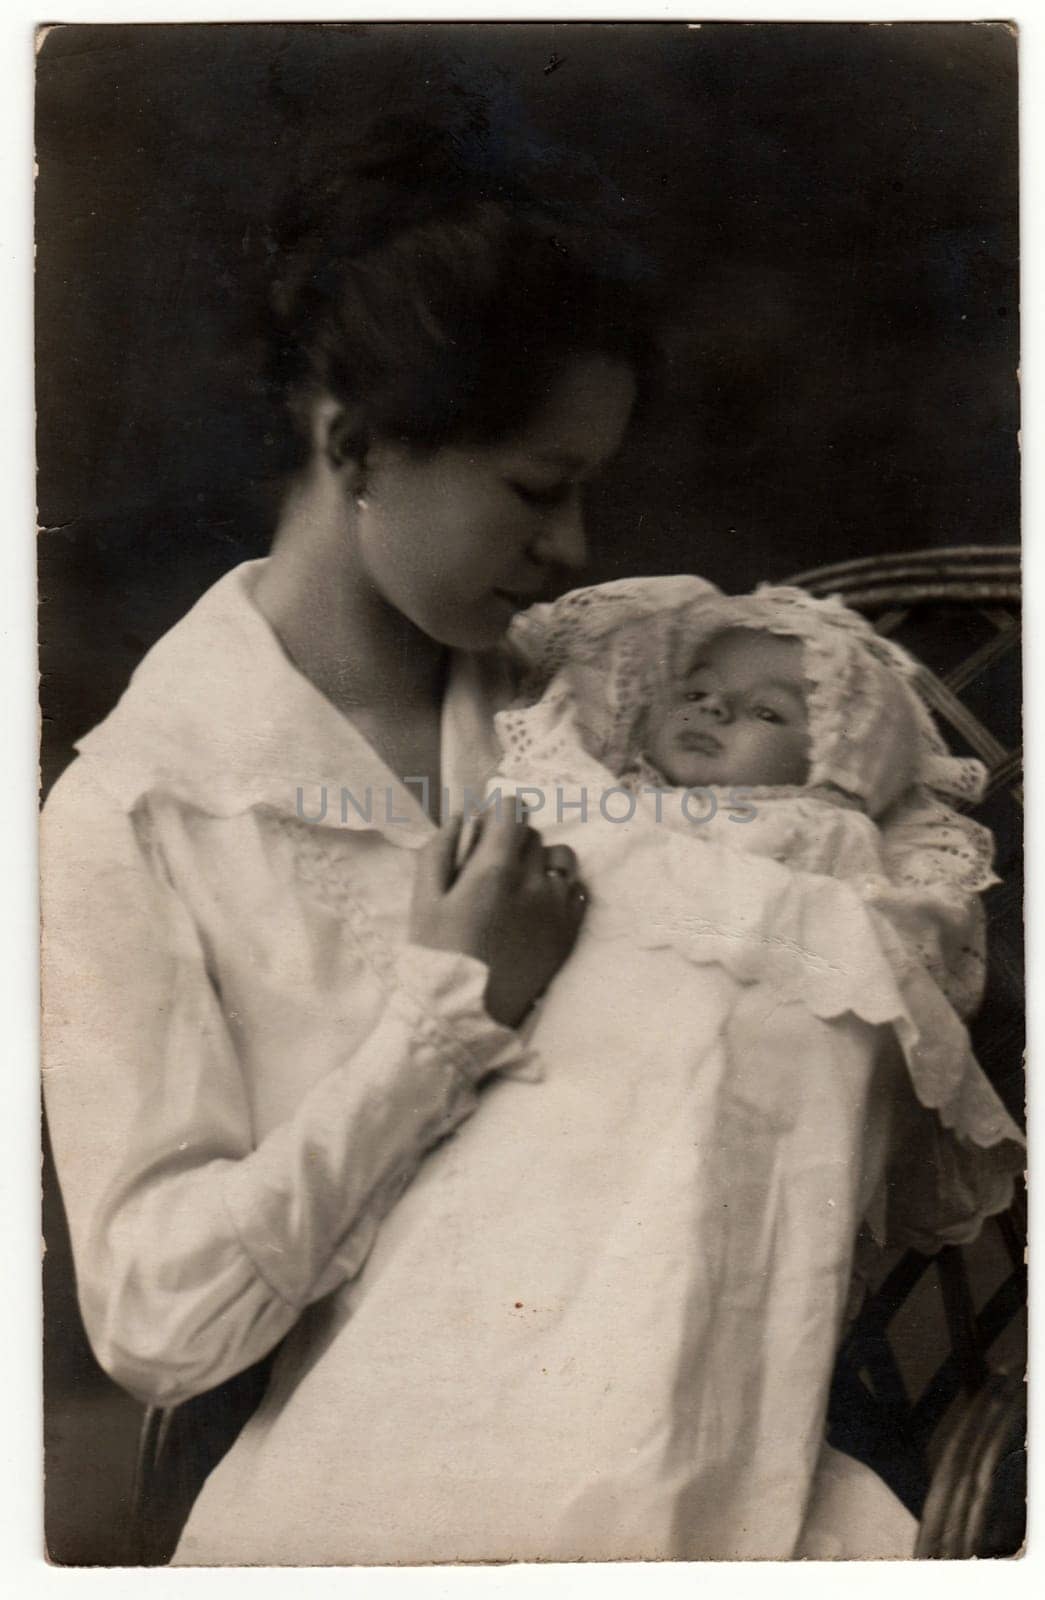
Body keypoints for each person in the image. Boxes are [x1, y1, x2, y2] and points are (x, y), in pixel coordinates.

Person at [40, 122, 1015, 1563]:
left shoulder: (615, 683)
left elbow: (895, 798)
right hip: (388, 1461)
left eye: (588, 488)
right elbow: (163, 1321)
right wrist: (441, 1022)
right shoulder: (139, 815)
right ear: (352, 444)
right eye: (533, 485)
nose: (573, 543)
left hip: (742, 1378)